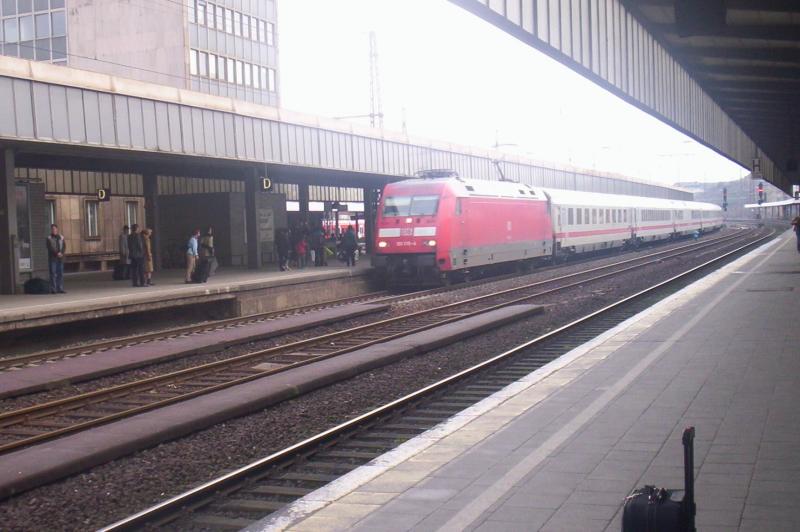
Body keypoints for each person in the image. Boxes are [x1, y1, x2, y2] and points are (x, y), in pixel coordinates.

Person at [46, 224, 66, 294]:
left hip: (60, 258)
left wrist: (61, 253)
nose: (54, 230)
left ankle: (60, 288)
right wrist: (57, 253)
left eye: (55, 229)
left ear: (57, 229)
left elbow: (64, 246)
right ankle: (53, 289)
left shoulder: (61, 237)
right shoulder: (49, 238)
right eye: (52, 229)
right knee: (53, 273)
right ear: (51, 230)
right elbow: (50, 248)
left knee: (60, 273)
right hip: (53, 258)